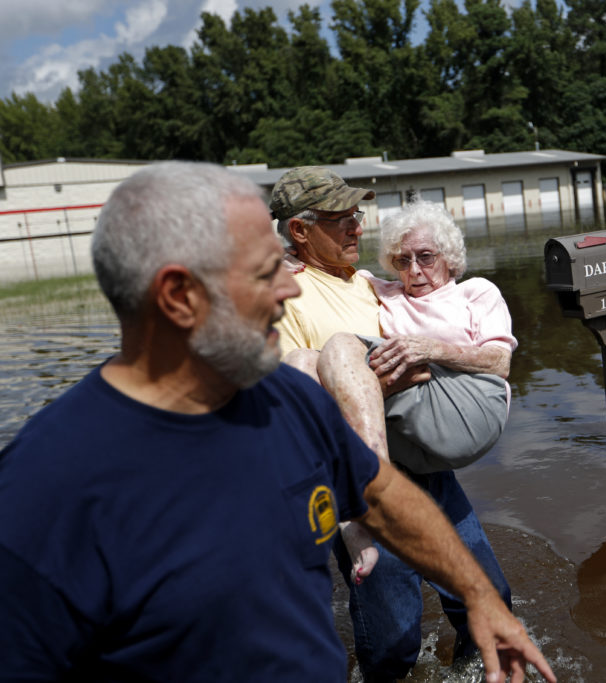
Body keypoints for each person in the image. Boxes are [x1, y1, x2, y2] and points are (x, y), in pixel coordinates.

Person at [0, 161, 555, 683]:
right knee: (390, 644)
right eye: (267, 271)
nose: (291, 286)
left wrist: (478, 595)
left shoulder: (293, 402)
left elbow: (381, 494)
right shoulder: (42, 491)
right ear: (178, 294)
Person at [270, 167, 516, 682]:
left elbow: (440, 319)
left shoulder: (365, 281)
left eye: (356, 216)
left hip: (419, 464)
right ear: (299, 230)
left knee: (489, 600)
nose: (357, 228)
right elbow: (301, 406)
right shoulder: (284, 294)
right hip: (361, 483)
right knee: (394, 643)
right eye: (341, 220)